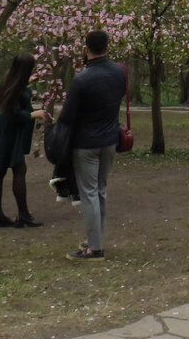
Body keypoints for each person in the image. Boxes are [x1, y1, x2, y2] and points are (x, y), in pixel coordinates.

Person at [56, 30, 126, 261]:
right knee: (100, 190)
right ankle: (95, 238)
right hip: (109, 140)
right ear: (108, 46)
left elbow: (67, 116)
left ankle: (94, 248)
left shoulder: (82, 79)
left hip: (85, 143)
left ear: (86, 49)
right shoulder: (119, 73)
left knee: (89, 194)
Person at [0, 53, 48, 228]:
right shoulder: (15, 86)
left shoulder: (11, 79)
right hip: (6, 130)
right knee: (17, 169)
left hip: (3, 128)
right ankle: (22, 214)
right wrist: (34, 114)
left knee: (0, 171)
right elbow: (12, 113)